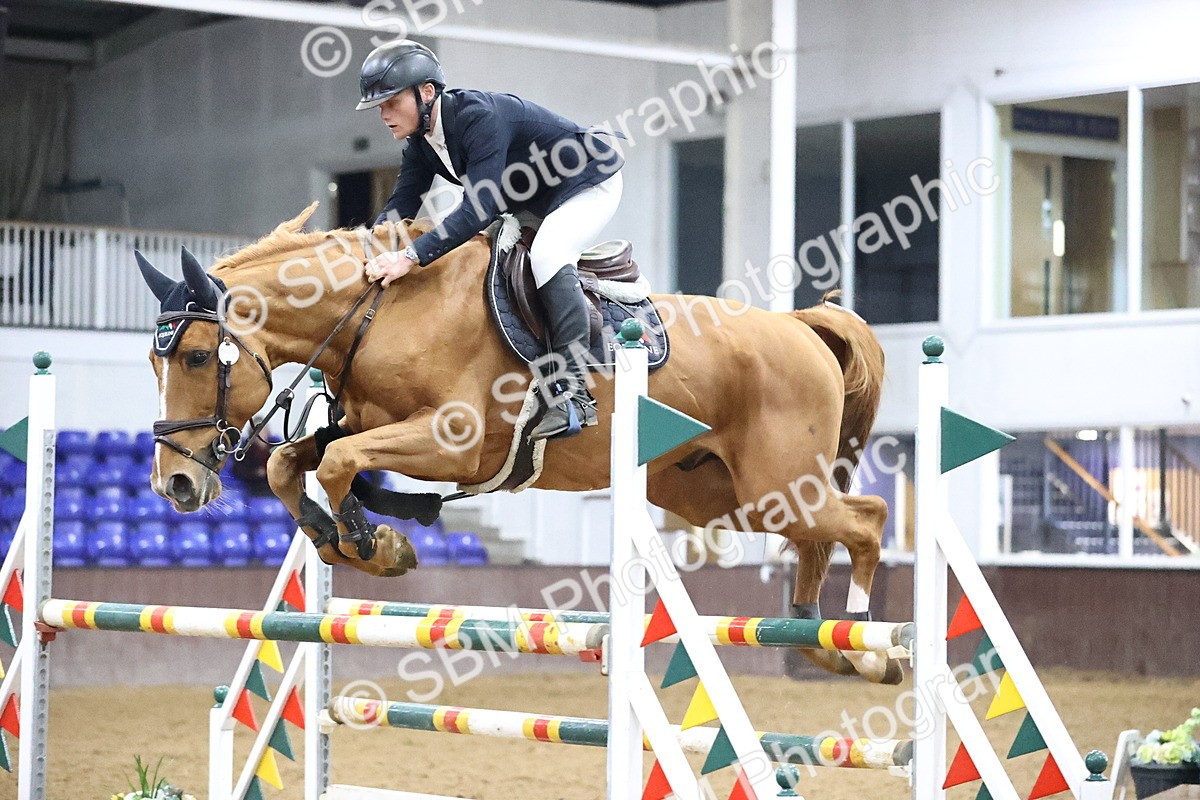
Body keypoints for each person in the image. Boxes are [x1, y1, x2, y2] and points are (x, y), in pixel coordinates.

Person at [357, 40, 624, 440]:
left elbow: (479, 209)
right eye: (379, 106)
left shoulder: (478, 118)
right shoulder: (421, 142)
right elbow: (402, 203)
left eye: (391, 102)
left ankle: (572, 394)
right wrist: (364, 247)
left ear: (427, 93)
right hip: (533, 198)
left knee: (549, 254)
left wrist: (410, 256)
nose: (383, 114)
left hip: (587, 183)